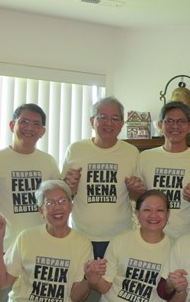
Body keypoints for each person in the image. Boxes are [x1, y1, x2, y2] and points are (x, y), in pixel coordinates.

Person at [0, 103, 60, 297]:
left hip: (42, 250)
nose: (29, 128)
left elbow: (58, 204)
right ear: (12, 125)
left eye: (36, 124)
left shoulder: (48, 161)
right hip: (6, 250)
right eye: (24, 121)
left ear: (42, 131)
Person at [62, 96, 145, 258]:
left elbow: (137, 198)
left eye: (115, 118)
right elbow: (64, 194)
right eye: (103, 117)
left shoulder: (131, 152)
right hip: (82, 236)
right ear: (92, 121)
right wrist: (69, 188)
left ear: (122, 124)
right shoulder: (75, 150)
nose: (109, 123)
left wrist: (135, 190)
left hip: (120, 237)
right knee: (83, 282)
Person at [137, 101, 190, 239]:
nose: (175, 126)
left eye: (181, 121)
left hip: (185, 240)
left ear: (189, 126)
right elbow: (136, 200)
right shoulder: (144, 157)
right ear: (160, 125)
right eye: (169, 121)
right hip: (150, 238)